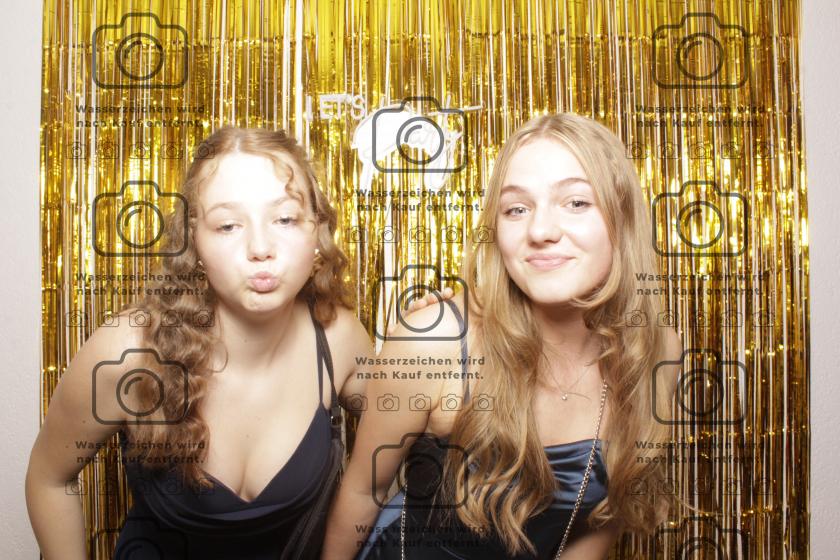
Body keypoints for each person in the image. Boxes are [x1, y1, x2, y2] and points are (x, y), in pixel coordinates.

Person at [24, 127, 440, 560]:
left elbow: (419, 429)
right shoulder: (127, 350)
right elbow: (50, 478)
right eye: (227, 225)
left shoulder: (338, 338)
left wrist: (428, 342)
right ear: (194, 241)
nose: (260, 248)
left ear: (317, 228)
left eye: (285, 219)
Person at [321, 113, 684, 559]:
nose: (541, 231)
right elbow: (363, 492)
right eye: (516, 209)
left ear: (622, 216)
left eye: (576, 203)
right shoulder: (434, 342)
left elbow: (603, 515)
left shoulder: (657, 351)